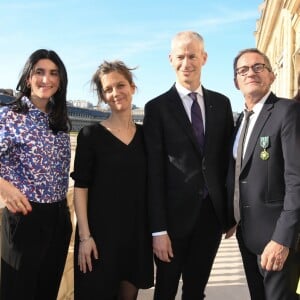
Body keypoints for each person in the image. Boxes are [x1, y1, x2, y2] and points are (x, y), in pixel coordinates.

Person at [143, 31, 234, 299]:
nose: (187, 63)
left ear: (204, 58)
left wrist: (229, 214)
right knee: (166, 289)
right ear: (171, 59)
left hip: (210, 219)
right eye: (181, 56)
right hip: (171, 221)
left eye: (192, 56)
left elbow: (226, 162)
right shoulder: (156, 108)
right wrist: (158, 229)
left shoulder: (222, 103)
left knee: (196, 290)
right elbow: (154, 173)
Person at [71, 60, 154, 300]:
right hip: (98, 237)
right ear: (103, 96)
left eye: (120, 85)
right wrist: (85, 237)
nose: (115, 93)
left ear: (132, 87)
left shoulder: (146, 135)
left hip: (135, 235)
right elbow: (81, 188)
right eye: (108, 89)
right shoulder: (90, 135)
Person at [226, 48, 300, 300]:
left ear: (271, 75)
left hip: (276, 239)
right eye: (243, 70)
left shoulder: (287, 112)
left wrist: (282, 239)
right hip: (247, 236)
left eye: (258, 67)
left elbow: (296, 181)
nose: (251, 73)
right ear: (236, 81)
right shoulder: (240, 122)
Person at [0, 49, 72, 300]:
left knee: (46, 291)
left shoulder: (60, 118)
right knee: (18, 292)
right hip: (25, 217)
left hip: (59, 218)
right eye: (39, 72)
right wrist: (5, 188)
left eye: (53, 73)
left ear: (60, 80)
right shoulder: (10, 116)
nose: (46, 79)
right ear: (28, 77)